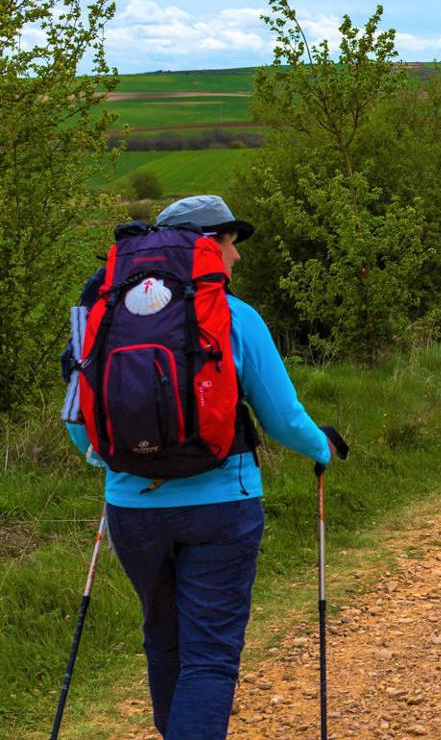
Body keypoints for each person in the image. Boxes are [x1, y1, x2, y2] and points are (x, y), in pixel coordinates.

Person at [63, 195, 343, 740]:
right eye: (231, 244)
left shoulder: (102, 312)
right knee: (210, 657)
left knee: (163, 641)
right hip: (222, 508)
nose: (235, 259)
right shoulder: (235, 316)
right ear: (208, 246)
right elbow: (283, 418)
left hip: (132, 512)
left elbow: (79, 423)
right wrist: (322, 449)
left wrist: (119, 460)